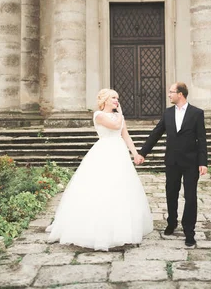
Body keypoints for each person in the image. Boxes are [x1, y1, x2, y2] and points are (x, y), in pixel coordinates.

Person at [46, 89, 153, 251]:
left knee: (121, 188)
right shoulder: (98, 115)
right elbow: (116, 125)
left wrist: (136, 153)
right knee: (101, 187)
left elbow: (126, 135)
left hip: (119, 153)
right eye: (113, 98)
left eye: (118, 97)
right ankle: (95, 229)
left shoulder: (118, 117)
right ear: (105, 100)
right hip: (104, 151)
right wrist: (121, 115)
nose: (117, 100)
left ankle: (121, 228)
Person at [135, 82, 208, 247]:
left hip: (191, 162)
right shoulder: (167, 113)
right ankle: (172, 222)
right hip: (172, 161)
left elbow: (202, 139)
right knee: (171, 193)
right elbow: (156, 133)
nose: (169, 95)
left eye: (171, 92)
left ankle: (189, 231)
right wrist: (142, 153)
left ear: (180, 94)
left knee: (190, 197)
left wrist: (203, 162)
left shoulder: (197, 113)